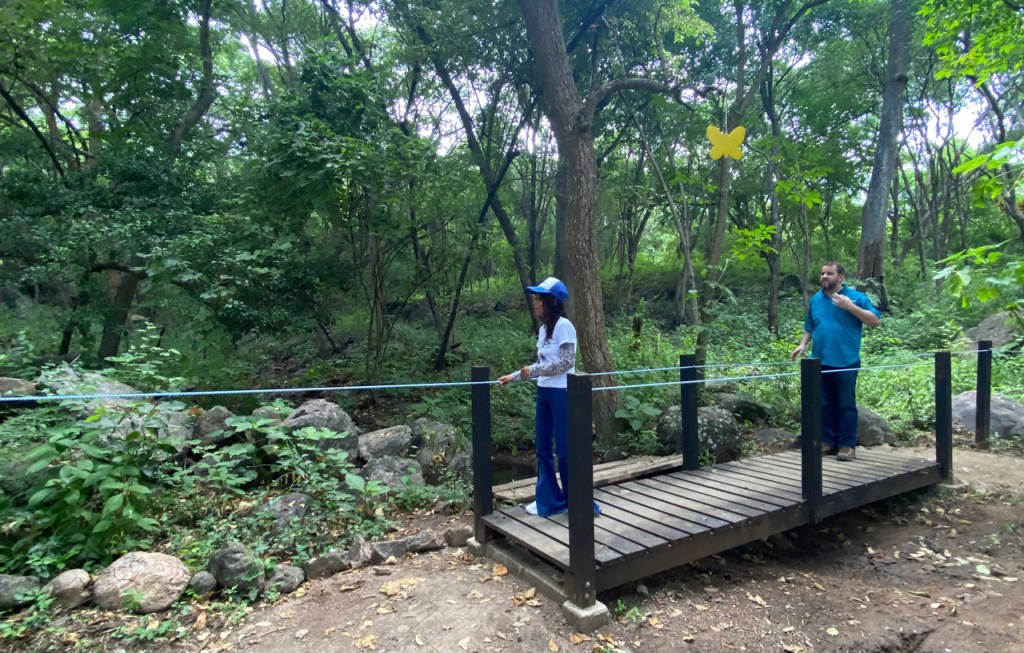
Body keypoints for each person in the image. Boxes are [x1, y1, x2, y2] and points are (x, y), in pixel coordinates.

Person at [498, 277, 578, 517]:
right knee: (543, 448)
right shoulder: (544, 330)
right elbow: (540, 363)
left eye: (539, 299)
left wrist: (532, 371)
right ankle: (548, 500)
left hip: (562, 392)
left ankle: (574, 500)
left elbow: (566, 362)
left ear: (552, 302)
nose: (535, 303)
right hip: (544, 392)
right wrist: (513, 376)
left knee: (564, 449)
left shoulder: (565, 326)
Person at [790, 262, 881, 461]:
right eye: (822, 273)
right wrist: (802, 344)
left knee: (845, 404)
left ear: (840, 277)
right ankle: (827, 441)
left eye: (829, 273)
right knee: (823, 404)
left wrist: (849, 306)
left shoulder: (856, 297)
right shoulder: (816, 299)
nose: (824, 276)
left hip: (846, 360)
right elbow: (810, 326)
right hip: (819, 361)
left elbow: (875, 321)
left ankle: (847, 445)